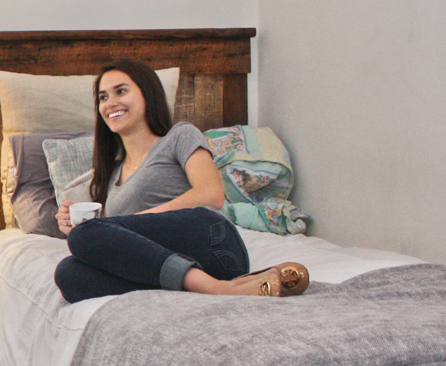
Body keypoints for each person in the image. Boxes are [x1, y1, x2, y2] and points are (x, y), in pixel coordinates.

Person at [53, 58, 309, 303]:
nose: (111, 103)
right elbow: (117, 242)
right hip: (177, 266)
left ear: (147, 94)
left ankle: (217, 289)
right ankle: (226, 285)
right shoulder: (112, 177)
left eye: (121, 91)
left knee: (85, 236)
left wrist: (121, 225)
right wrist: (75, 226)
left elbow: (211, 194)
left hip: (211, 243)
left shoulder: (179, 135)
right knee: (68, 274)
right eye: (103, 97)